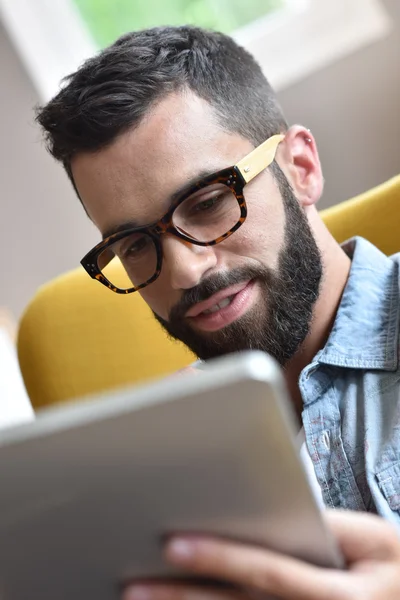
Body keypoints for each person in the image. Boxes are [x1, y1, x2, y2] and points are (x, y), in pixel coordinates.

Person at [36, 25, 400, 599]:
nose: (183, 272)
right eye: (134, 245)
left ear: (301, 168)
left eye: (207, 203)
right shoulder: (160, 458)